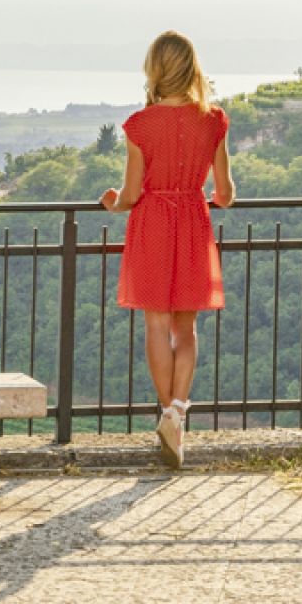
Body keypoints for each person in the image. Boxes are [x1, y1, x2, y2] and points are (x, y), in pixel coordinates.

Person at [100, 32, 235, 467]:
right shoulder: (213, 120)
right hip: (194, 221)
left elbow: (132, 194)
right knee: (187, 329)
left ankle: (167, 418)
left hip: (154, 224)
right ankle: (178, 412)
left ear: (155, 69)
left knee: (157, 326)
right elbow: (226, 194)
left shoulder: (140, 125)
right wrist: (199, 192)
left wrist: (112, 201)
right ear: (192, 66)